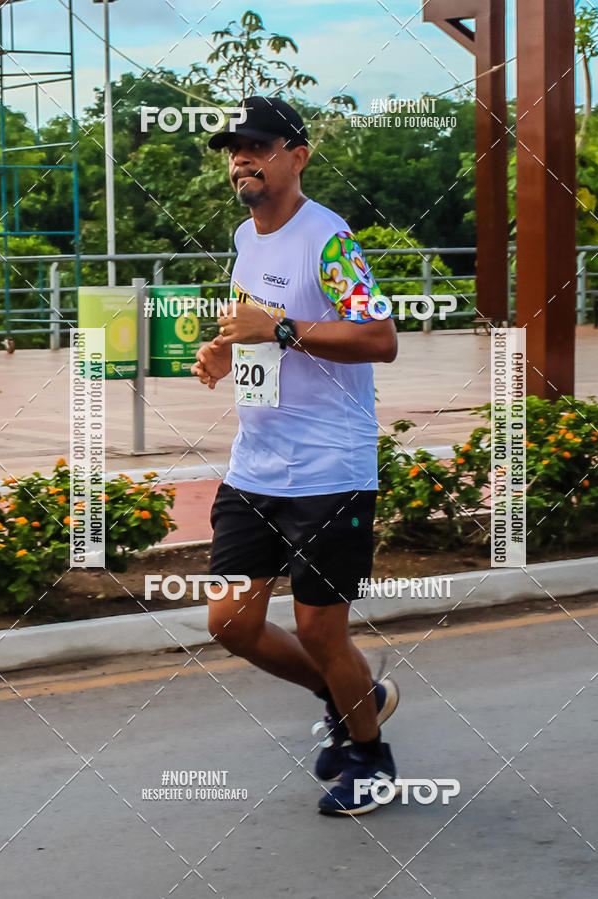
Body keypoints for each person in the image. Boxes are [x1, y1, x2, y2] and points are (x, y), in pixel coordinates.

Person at [192, 96, 399, 816]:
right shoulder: (244, 237)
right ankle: (349, 696)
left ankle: (370, 758)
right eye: (233, 149)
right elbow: (249, 325)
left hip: (328, 469)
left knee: (319, 629)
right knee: (230, 623)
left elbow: (380, 338)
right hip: (255, 464)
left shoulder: (328, 239)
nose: (241, 159)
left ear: (297, 156)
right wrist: (223, 349)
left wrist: (278, 327)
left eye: (257, 146)